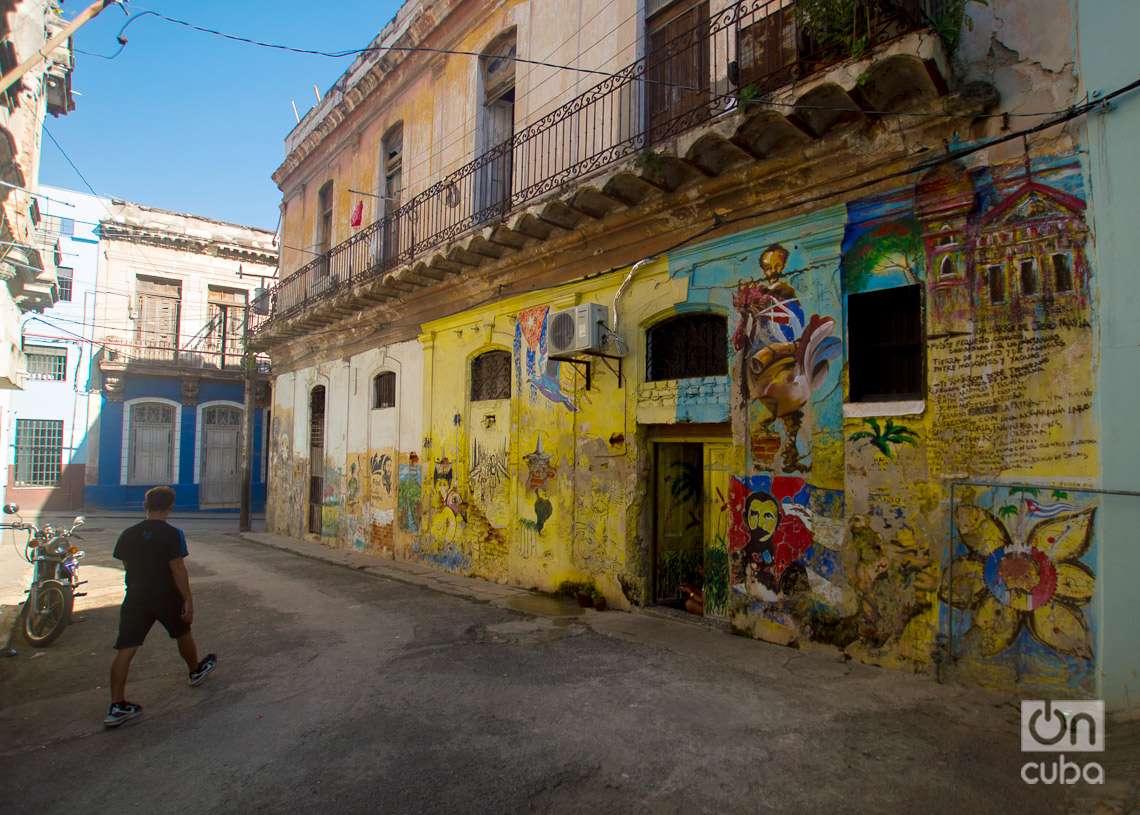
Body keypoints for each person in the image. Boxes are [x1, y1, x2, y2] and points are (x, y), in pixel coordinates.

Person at [104, 486, 216, 728]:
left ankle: (116, 704)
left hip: (136, 595)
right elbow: (177, 568)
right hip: (166, 595)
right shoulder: (173, 534)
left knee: (126, 647)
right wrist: (187, 598)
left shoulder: (128, 534)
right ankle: (194, 670)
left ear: (146, 505)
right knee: (182, 632)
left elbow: (126, 564)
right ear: (170, 507)